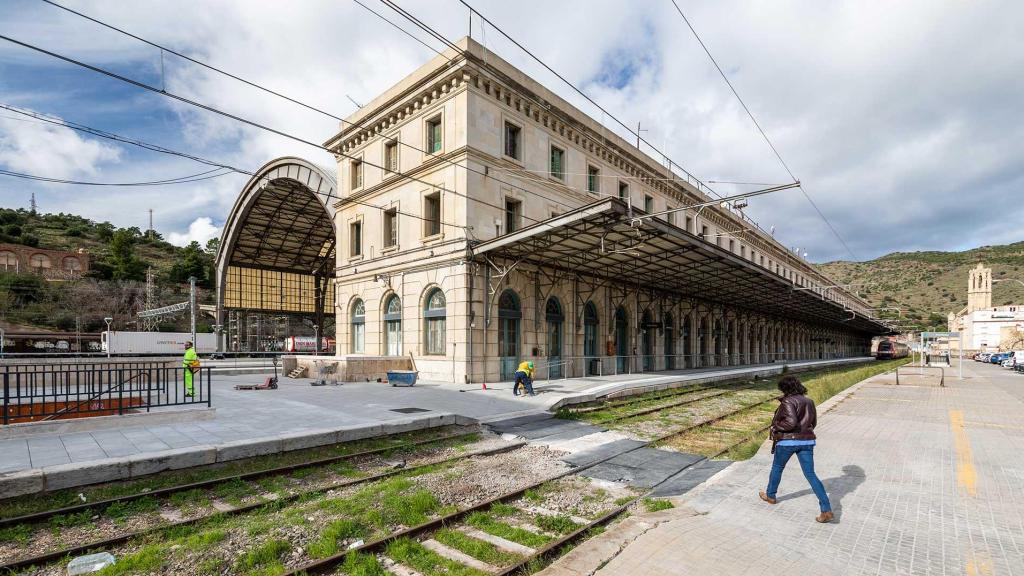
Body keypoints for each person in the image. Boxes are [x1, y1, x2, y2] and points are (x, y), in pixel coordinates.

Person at [759, 374, 833, 523]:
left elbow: (791, 423)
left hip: (787, 442)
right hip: (806, 442)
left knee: (777, 468)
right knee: (811, 474)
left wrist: (775, 426)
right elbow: (814, 423)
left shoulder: (787, 401)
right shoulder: (809, 401)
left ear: (785, 388)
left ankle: (771, 495)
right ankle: (826, 509)